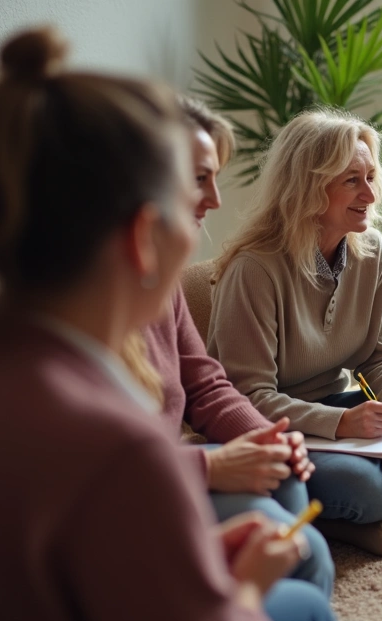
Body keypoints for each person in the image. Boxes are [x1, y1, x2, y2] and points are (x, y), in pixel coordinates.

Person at [0, 26, 381, 621]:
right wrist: (244, 590)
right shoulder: (122, 448)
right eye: (189, 192)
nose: (209, 209)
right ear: (143, 236)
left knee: (306, 603)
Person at [207, 108, 382, 557]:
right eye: (352, 180)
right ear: (308, 185)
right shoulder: (255, 270)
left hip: (336, 414)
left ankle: (359, 509)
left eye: (370, 177)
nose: (370, 193)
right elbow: (247, 396)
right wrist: (341, 423)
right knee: (356, 484)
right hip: (278, 428)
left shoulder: (372, 253)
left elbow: (379, 355)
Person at [122, 95, 334, 595]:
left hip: (169, 467)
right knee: (311, 558)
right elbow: (94, 461)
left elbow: (206, 384)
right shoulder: (81, 308)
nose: (217, 199)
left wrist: (266, 436)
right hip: (140, 488)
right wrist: (212, 464)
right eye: (200, 178)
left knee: (288, 483)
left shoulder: (164, 283)